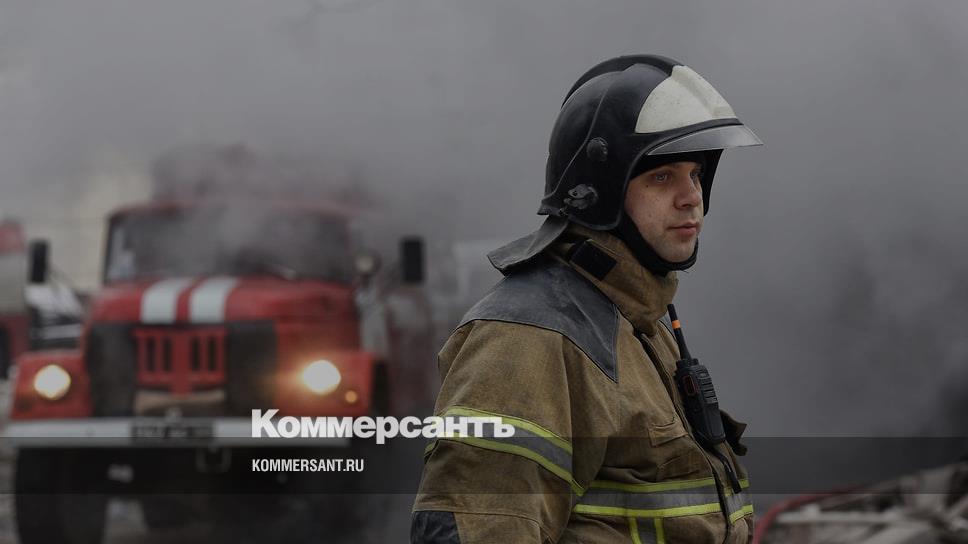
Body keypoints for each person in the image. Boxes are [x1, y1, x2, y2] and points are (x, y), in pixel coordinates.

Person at [411, 54, 762, 543]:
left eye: (696, 174)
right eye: (662, 177)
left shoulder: (636, 321)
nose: (691, 197)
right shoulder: (528, 337)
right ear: (601, 192)